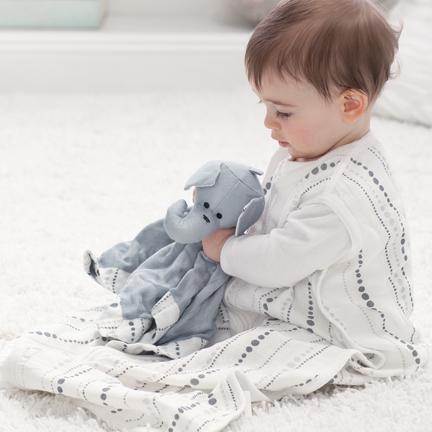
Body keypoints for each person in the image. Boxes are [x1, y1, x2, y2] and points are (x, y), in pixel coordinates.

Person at [201, 0, 429, 377]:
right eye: (265, 105)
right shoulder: (313, 148)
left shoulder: (340, 195)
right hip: (294, 291)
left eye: (283, 112)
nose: (268, 122)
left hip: (337, 331)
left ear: (350, 105)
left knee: (236, 357)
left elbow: (279, 260)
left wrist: (225, 249)